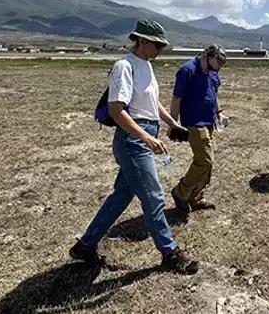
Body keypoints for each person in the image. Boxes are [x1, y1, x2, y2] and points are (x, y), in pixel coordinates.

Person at [69, 20, 199, 274]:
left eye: (162, 45)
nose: (160, 49)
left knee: (121, 196)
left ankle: (85, 246)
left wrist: (172, 124)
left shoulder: (146, 66)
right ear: (141, 40)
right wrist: (147, 138)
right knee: (153, 197)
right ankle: (170, 253)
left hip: (142, 134)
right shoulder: (124, 66)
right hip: (132, 139)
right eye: (157, 44)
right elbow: (117, 110)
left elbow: (153, 102)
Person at [169, 45, 228, 217]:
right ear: (207, 56)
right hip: (194, 123)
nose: (216, 70)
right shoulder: (187, 71)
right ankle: (181, 192)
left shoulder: (212, 72)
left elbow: (213, 94)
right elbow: (176, 98)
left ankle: (196, 197)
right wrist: (173, 123)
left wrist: (219, 113)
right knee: (205, 161)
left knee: (208, 164)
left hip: (209, 122)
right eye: (216, 64)